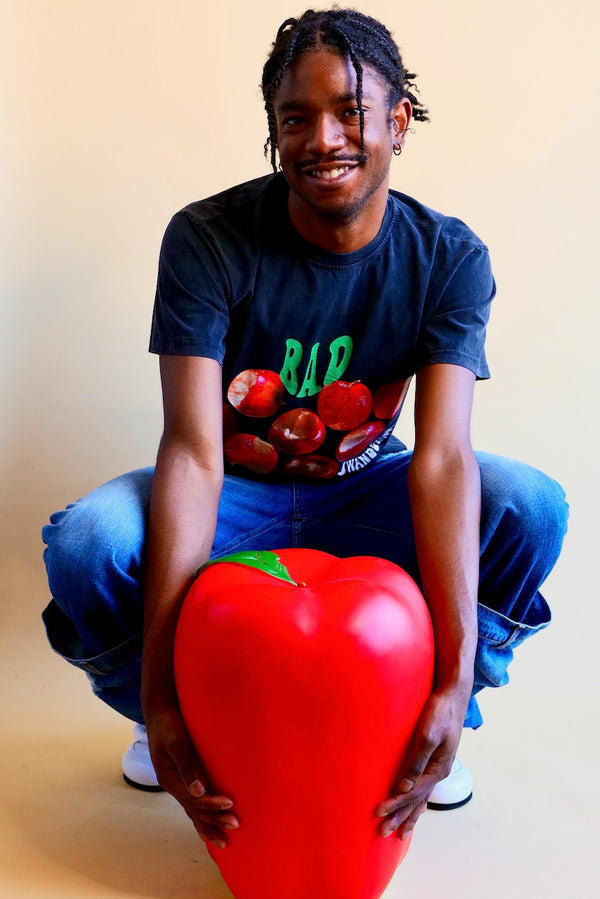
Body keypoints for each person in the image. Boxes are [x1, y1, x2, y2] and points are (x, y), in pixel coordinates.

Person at [42, 8, 568, 851]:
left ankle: (428, 721)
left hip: (367, 490)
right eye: (296, 117)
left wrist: (453, 675)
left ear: (397, 120)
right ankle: (170, 721)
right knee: (87, 542)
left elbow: (441, 456)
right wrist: (164, 695)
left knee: (530, 504)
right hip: (232, 496)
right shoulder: (207, 238)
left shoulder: (448, 257)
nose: (324, 138)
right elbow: (190, 448)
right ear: (274, 131)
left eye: (350, 110)